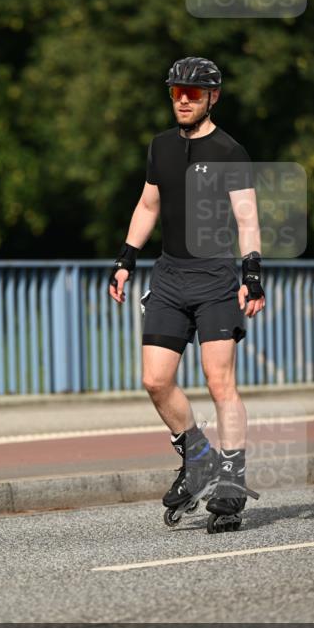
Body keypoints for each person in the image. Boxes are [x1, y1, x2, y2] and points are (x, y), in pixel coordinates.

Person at [108, 56, 265, 533]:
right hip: (170, 276)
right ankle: (197, 457)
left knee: (220, 383)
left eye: (192, 94)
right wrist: (125, 259)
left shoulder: (230, 152)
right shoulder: (160, 147)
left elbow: (246, 218)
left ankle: (232, 481)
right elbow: (148, 203)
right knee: (155, 380)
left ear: (212, 97)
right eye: (176, 92)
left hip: (216, 276)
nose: (182, 100)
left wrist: (251, 272)